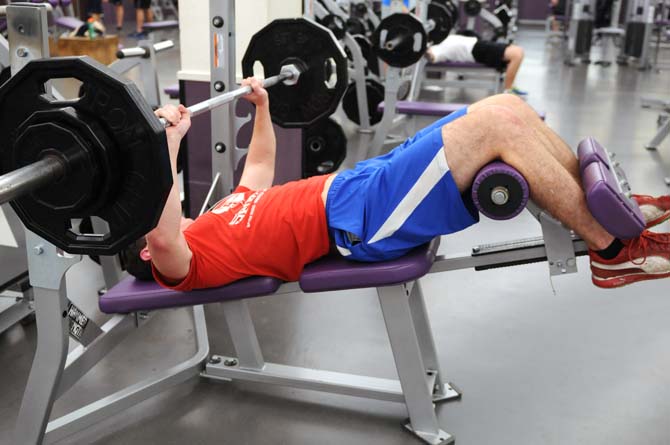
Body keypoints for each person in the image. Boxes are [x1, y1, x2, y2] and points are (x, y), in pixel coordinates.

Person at [147, 78, 670, 291]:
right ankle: (614, 250)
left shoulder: (221, 214)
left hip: (361, 183)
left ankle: (610, 209)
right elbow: (163, 232)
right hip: (361, 223)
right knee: (497, 128)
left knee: (504, 107)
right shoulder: (185, 261)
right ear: (149, 257)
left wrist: (261, 107)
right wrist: (164, 144)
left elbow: (258, 168)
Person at [425, 33, 527, 96]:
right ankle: (508, 90)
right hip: (475, 51)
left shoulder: (441, 36)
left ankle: (511, 87)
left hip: (478, 44)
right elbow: (432, 57)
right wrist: (424, 49)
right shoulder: (436, 49)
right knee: (517, 54)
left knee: (516, 50)